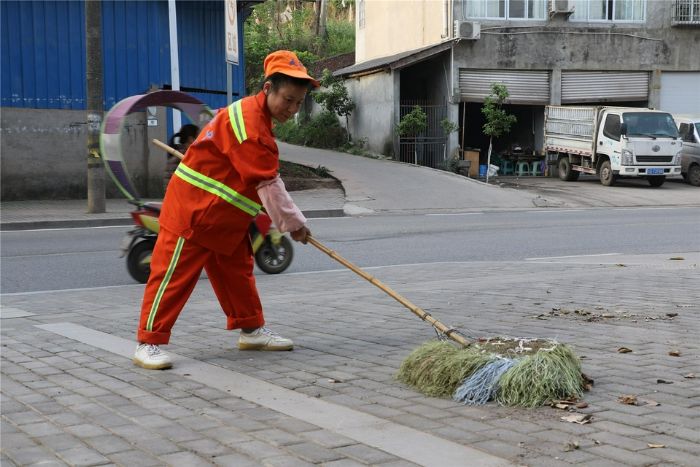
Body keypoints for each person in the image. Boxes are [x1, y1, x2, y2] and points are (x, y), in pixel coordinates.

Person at [133, 50, 319, 369]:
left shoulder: (253, 117)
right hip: (194, 212)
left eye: (298, 103)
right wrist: (294, 225)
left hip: (225, 217)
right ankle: (148, 342)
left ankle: (251, 329)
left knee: (237, 273)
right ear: (267, 89)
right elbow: (268, 183)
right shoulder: (252, 127)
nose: (292, 109)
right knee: (172, 276)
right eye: (287, 99)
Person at [163, 123, 200, 191]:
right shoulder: (179, 159)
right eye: (199, 136)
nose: (202, 139)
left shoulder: (188, 156)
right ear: (191, 139)